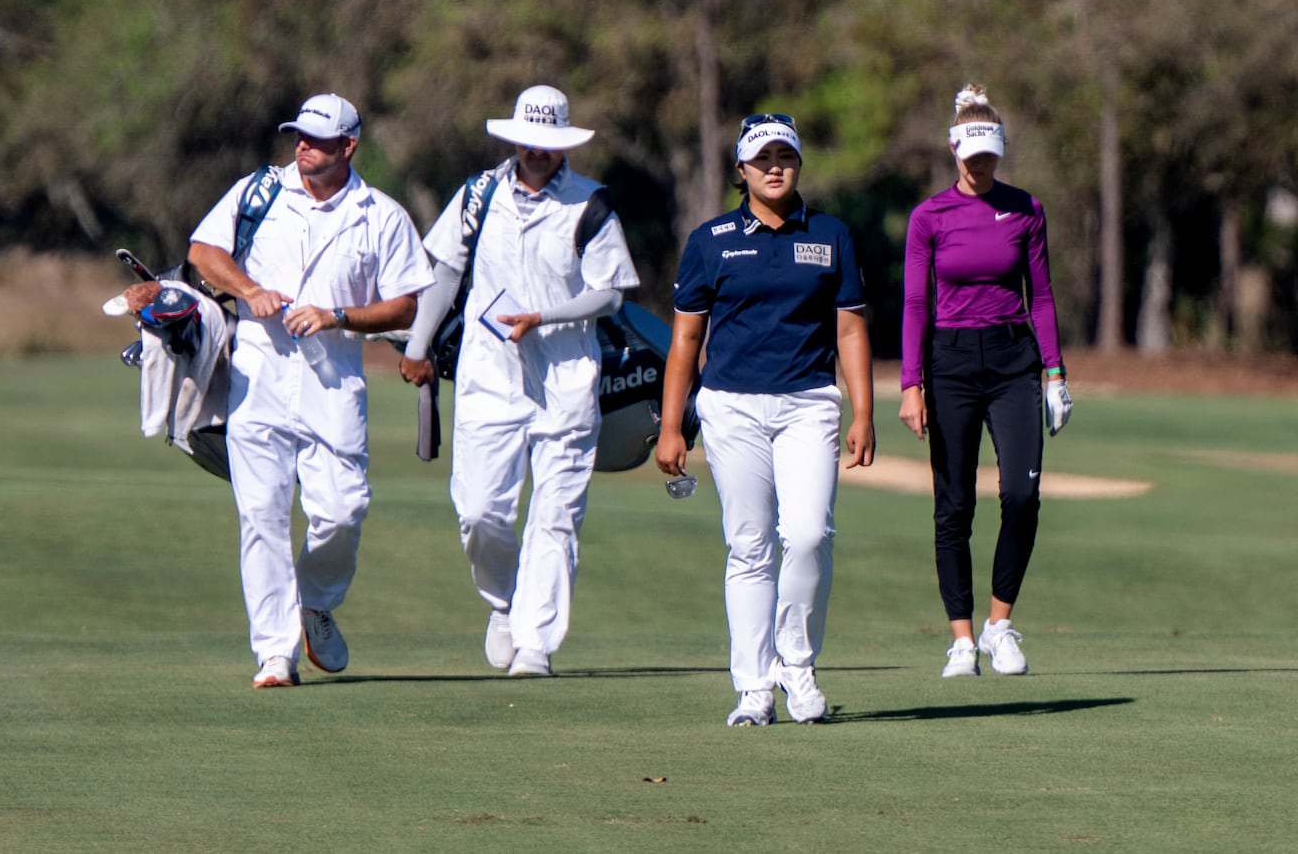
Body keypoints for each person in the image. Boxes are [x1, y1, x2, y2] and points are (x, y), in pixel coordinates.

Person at [188, 93, 434, 689]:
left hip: (334, 384)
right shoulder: (260, 192)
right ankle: (276, 654)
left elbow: (406, 302)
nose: (303, 146)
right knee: (262, 517)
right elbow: (202, 251)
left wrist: (338, 316)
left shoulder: (382, 215)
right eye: (299, 135)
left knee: (342, 513)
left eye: (318, 139)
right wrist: (249, 290)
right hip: (258, 379)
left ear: (348, 147)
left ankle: (315, 603)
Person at [400, 84, 640, 678]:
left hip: (566, 375)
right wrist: (417, 342)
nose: (537, 152)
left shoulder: (590, 205)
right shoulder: (477, 195)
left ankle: (537, 642)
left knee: (556, 514)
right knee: (480, 510)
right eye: (528, 141)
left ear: (562, 145)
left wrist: (545, 317)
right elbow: (445, 273)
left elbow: (609, 293)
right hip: (489, 375)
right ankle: (505, 603)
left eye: (548, 143)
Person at [655, 113, 875, 727]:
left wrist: (864, 412)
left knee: (808, 535)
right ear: (741, 170)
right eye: (762, 158)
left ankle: (796, 666)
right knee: (749, 545)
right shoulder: (711, 239)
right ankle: (753, 688)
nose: (775, 166)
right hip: (730, 407)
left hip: (809, 403)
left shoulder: (830, 235)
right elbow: (684, 342)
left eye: (786, 156)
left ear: (798, 163)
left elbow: (851, 329)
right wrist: (673, 425)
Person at [898, 84, 1073, 679]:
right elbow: (914, 307)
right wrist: (910, 383)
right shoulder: (929, 217)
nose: (981, 166)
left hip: (1012, 360)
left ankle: (1000, 624)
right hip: (949, 362)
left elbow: (1041, 295)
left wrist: (1055, 373)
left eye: (990, 156)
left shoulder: (1025, 208)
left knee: (1022, 495)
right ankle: (961, 640)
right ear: (953, 150)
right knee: (955, 506)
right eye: (972, 157)